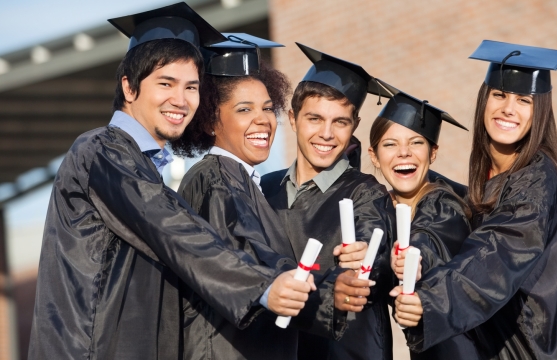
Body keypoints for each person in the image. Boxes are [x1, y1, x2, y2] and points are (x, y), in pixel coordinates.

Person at [28, 5, 315, 359]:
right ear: (129, 87)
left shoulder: (145, 169)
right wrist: (261, 286)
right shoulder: (100, 151)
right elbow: (169, 227)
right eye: (166, 83)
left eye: (191, 86)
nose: (180, 100)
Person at [391, 40, 557, 359]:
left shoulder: (536, 181)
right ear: (484, 100)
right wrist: (413, 186)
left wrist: (432, 299)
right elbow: (475, 213)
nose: (508, 108)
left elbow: (496, 253)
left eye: (524, 100)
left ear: (539, 112)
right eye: (500, 94)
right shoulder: (496, 174)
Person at [171, 34, 372, 360]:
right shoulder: (212, 181)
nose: (262, 119)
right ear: (210, 119)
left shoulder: (251, 185)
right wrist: (326, 294)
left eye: (267, 107)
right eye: (244, 109)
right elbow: (241, 262)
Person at [261, 43, 396, 360]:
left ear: (355, 127)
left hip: (346, 351)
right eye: (315, 119)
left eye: (340, 122)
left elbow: (373, 251)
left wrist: (366, 262)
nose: (326, 133)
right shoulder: (263, 189)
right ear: (293, 119)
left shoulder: (366, 193)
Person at [367, 81, 483, 359]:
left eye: (416, 142)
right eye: (390, 144)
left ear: (433, 153)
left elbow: (430, 238)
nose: (403, 152)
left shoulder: (446, 204)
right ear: (374, 156)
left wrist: (414, 260)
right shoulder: (379, 210)